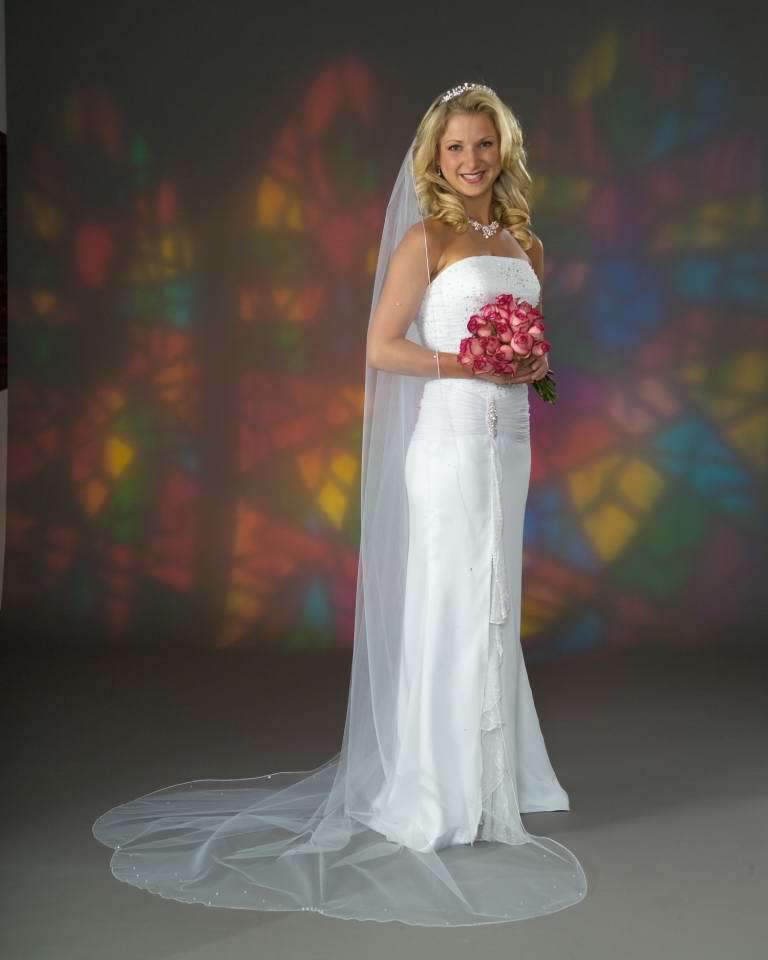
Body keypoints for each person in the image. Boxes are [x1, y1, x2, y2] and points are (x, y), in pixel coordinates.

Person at [92, 81, 588, 926]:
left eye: (484, 144)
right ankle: (437, 791)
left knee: (494, 598)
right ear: (435, 159)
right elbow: (381, 347)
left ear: (504, 149)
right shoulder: (426, 239)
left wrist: (529, 364)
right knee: (451, 602)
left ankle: (492, 782)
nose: (471, 160)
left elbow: (529, 351)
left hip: (509, 441)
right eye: (455, 148)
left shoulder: (527, 244)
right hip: (450, 442)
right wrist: (467, 365)